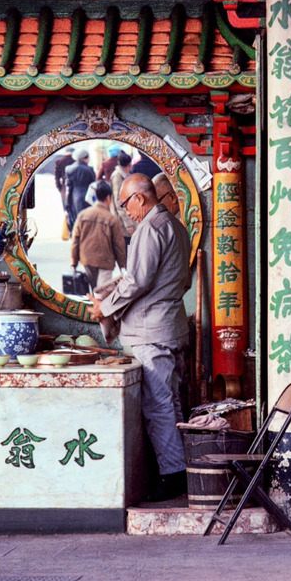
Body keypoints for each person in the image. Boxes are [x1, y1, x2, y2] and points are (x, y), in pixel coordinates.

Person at [90, 173, 192, 502]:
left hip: (152, 332)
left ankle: (174, 474)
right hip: (171, 326)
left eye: (126, 203)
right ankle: (182, 469)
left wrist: (105, 307)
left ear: (140, 198)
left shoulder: (150, 227)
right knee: (172, 402)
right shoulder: (177, 227)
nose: (125, 211)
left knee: (159, 405)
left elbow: (137, 281)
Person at [70, 181, 127, 290]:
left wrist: (74, 262)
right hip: (105, 261)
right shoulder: (112, 219)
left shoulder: (83, 215)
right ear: (108, 198)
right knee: (102, 293)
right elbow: (119, 245)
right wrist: (122, 266)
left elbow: (75, 240)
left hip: (87, 259)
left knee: (93, 290)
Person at [109, 150, 138, 239]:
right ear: (129, 164)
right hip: (121, 219)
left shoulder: (125, 175)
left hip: (126, 216)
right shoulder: (117, 177)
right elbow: (118, 201)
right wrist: (128, 224)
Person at [64, 148, 95, 228]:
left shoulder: (68, 168)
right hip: (87, 196)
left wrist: (67, 201)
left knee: (76, 220)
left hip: (74, 196)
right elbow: (93, 184)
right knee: (88, 221)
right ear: (86, 158)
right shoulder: (89, 169)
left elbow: (68, 186)